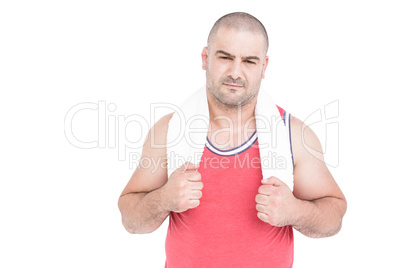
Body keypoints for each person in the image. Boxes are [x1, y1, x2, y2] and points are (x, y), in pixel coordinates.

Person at [118, 12, 347, 267]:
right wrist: (163, 199)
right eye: (225, 57)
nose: (235, 73)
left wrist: (295, 211)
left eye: (249, 61)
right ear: (205, 58)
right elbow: (130, 219)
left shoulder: (293, 135)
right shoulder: (169, 131)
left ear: (264, 67)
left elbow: (334, 216)